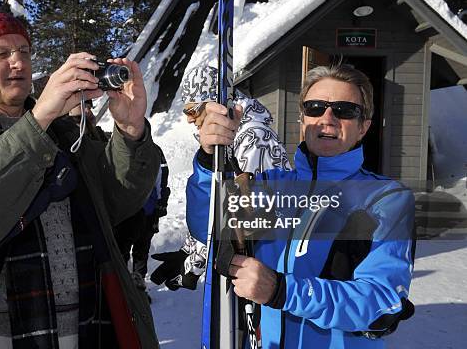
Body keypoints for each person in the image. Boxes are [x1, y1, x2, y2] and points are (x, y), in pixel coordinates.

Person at [0, 3, 160, 349]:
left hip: (90, 325)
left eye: (24, 50)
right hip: (0, 334)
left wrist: (130, 131)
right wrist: (38, 119)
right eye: (1, 53)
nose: (18, 62)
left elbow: (116, 204)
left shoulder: (65, 131)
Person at [187, 64, 415, 348]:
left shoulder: (386, 198)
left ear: (363, 127)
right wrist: (211, 159)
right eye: (315, 107)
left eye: (345, 110)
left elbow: (381, 303)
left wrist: (283, 291)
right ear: (302, 119)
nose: (327, 119)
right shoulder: (270, 185)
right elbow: (207, 227)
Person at [151, 65, 290, 291]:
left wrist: (196, 261)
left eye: (192, 110)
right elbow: (220, 207)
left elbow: (254, 221)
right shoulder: (226, 142)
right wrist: (189, 251)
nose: (189, 120)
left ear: (214, 103)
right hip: (240, 271)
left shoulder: (254, 139)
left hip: (261, 275)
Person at [115, 145, 170, 295]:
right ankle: (123, 286)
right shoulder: (119, 146)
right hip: (127, 211)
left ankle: (138, 286)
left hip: (146, 210)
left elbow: (162, 176)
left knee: (140, 249)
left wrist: (161, 203)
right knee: (123, 250)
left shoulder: (154, 151)